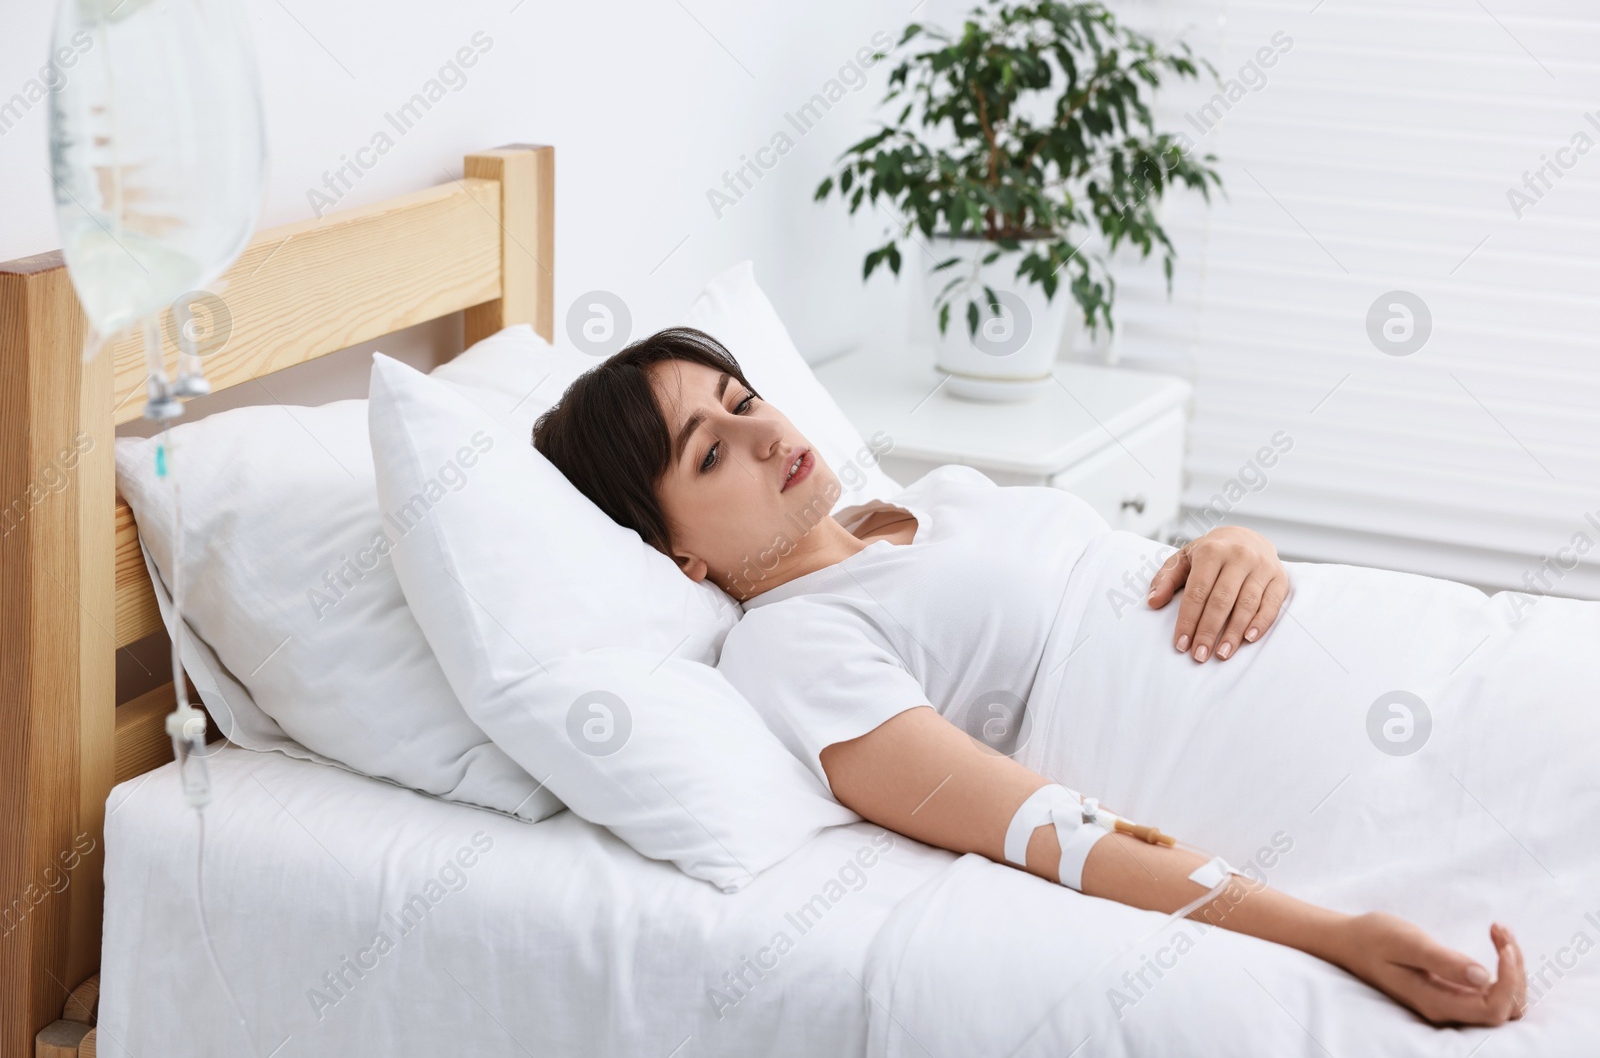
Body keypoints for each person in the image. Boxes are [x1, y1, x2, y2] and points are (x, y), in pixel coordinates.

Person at [532, 327, 1526, 1028]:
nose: (761, 435)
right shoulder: (788, 645)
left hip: (1408, 641)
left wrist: (1235, 542)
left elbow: (1132, 567)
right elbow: (1044, 829)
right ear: (678, 557)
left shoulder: (934, 495)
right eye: (712, 454)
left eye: (744, 400)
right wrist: (1335, 936)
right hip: (1332, 760)